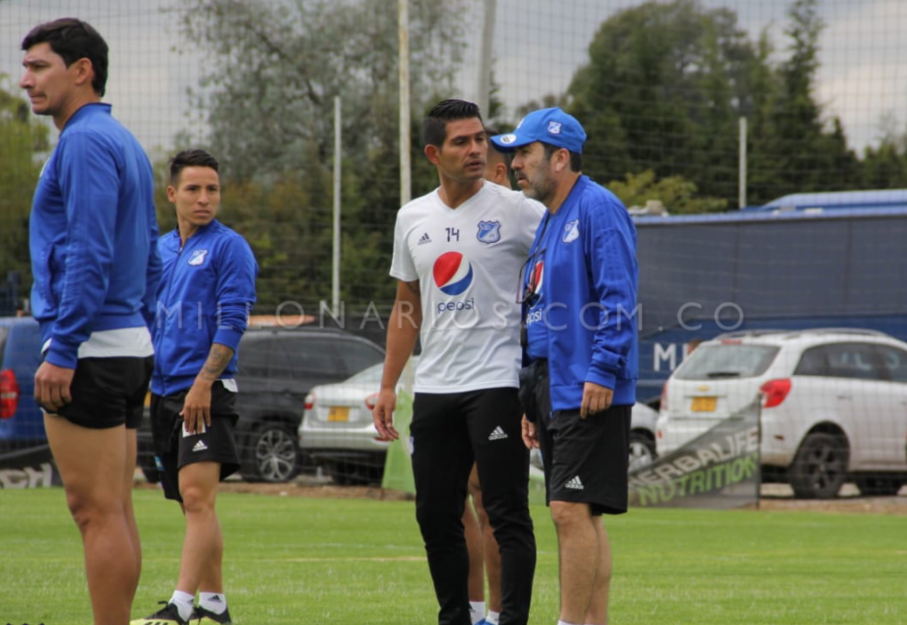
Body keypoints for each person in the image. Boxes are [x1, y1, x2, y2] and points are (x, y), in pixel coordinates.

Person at [373, 100, 543, 625]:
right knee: (435, 514)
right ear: (434, 153)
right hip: (435, 388)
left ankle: (510, 619)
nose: (476, 150)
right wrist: (387, 385)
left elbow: (565, 272)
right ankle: (455, 618)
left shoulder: (518, 211)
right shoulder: (412, 217)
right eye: (461, 142)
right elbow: (408, 306)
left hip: (496, 383)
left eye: (480, 140)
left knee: (505, 510)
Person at [21, 18, 161, 625]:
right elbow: (151, 250)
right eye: (25, 67)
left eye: (39, 66)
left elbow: (88, 248)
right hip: (125, 344)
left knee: (94, 512)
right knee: (116, 509)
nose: (26, 80)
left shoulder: (82, 141)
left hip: (91, 348)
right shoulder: (122, 139)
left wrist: (64, 344)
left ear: (82, 71)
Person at [491, 108, 639, 625]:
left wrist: (602, 369)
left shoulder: (598, 208)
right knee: (583, 513)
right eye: (512, 155)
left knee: (567, 511)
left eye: (524, 154)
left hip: (588, 387)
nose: (514, 165)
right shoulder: (552, 218)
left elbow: (619, 297)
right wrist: (531, 398)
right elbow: (540, 313)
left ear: (559, 157)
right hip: (555, 389)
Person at [132, 150, 258, 625]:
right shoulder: (160, 249)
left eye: (213, 190)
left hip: (206, 390)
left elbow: (233, 319)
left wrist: (204, 381)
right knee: (191, 504)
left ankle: (181, 606)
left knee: (199, 498)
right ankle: (216, 604)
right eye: (193, 189)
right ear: (172, 194)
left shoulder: (229, 248)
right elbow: (146, 315)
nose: (205, 199)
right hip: (162, 393)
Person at [461, 130, 514, 625]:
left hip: (497, 381)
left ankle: (497, 614)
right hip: (441, 380)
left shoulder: (517, 214)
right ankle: (473, 610)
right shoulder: (434, 217)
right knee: (449, 503)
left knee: (491, 504)